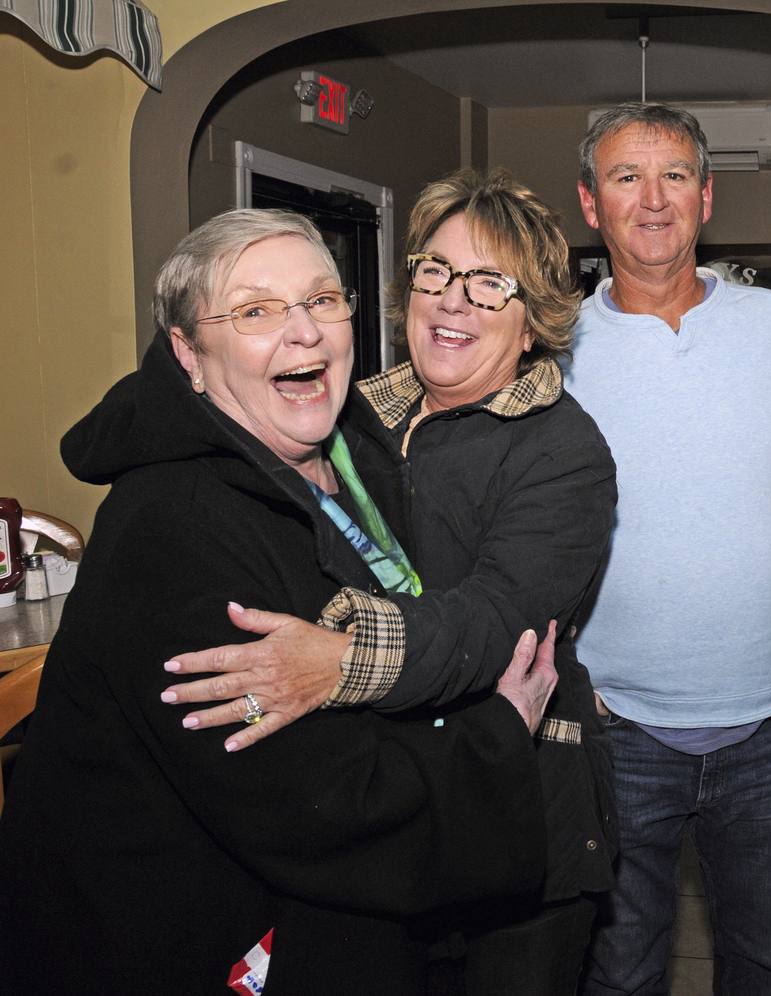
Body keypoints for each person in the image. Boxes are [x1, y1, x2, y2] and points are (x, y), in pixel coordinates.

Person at [0, 209, 563, 995]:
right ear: (188, 355)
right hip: (180, 937)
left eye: (323, 300)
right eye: (256, 311)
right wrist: (499, 733)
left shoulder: (351, 457)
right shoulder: (172, 526)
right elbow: (314, 801)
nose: (304, 333)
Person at [156, 169, 620, 995]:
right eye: (437, 273)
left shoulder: (564, 452)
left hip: (521, 809)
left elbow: (493, 624)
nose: (452, 301)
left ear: (533, 322)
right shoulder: (350, 414)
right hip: (391, 807)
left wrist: (337, 660)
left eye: (489, 284)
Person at [567, 102, 771, 996]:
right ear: (592, 203)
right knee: (619, 973)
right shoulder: (553, 350)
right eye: (627, 177)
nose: (652, 200)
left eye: (674, 177)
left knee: (767, 964)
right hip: (615, 728)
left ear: (708, 196)